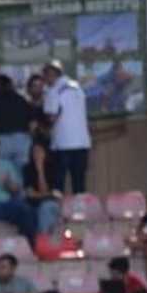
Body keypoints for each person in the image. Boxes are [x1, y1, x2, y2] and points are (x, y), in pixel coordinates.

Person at [41, 60, 90, 196]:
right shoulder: (77, 87)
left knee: (58, 183)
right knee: (79, 182)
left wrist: (45, 130)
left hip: (62, 142)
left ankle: (59, 213)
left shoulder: (54, 90)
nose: (45, 80)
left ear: (51, 74)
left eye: (45, 76)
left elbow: (52, 116)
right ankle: (81, 212)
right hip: (82, 142)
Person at [0, 74, 33, 172]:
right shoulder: (22, 100)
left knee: (3, 172)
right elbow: (31, 122)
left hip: (2, 140)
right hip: (21, 138)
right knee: (22, 172)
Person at [21, 137, 61, 242]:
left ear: (45, 152)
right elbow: (30, 194)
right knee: (26, 211)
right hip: (32, 204)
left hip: (51, 204)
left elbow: (55, 194)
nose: (37, 154)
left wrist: (40, 170)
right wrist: (47, 194)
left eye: (39, 151)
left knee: (45, 207)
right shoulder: (27, 169)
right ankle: (30, 243)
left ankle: (43, 240)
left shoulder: (54, 168)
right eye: (34, 152)